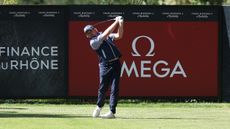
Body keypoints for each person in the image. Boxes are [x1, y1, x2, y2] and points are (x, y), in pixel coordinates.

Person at [83, 16, 124, 119]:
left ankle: (111, 112)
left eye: (91, 30)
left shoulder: (105, 35)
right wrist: (116, 21)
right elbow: (106, 33)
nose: (90, 33)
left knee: (115, 88)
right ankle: (99, 106)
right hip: (104, 66)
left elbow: (119, 35)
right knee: (103, 88)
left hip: (116, 64)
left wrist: (121, 24)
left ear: (94, 29)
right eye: (88, 33)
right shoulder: (93, 42)